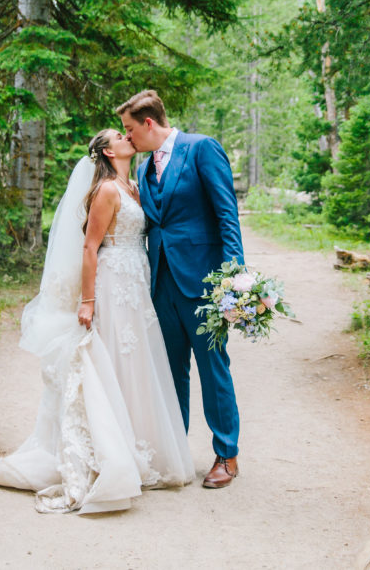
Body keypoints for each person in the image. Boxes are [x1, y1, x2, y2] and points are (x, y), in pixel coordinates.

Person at [0, 129, 194, 514]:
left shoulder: (134, 184)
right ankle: (104, 455)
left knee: (134, 364)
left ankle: (136, 445)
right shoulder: (107, 189)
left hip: (135, 283)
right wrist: (87, 301)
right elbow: (90, 247)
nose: (128, 136)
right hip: (111, 284)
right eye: (119, 135)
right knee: (109, 361)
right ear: (109, 150)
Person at [119, 90, 245, 489]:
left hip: (204, 284)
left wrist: (234, 281)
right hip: (160, 285)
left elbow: (227, 215)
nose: (128, 138)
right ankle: (175, 454)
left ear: (149, 124)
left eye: (130, 130)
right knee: (170, 375)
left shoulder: (202, 149)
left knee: (213, 371)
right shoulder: (142, 171)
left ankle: (227, 455)